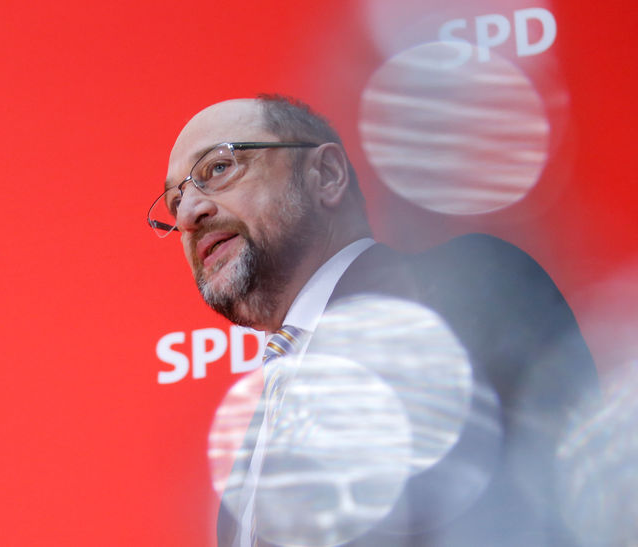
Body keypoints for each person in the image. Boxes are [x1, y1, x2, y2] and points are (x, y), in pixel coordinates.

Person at [148, 95, 599, 546]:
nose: (189, 214)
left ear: (326, 175)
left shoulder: (463, 292)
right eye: (175, 201)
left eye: (218, 169)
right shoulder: (249, 442)